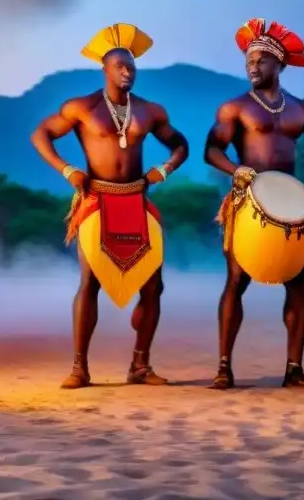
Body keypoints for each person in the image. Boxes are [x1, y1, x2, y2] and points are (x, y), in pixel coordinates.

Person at [30, 23, 189, 389]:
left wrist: (161, 172)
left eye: (131, 66)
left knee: (153, 286)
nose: (126, 71)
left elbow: (181, 146)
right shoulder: (82, 108)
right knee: (89, 282)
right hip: (96, 200)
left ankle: (140, 365)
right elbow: (40, 134)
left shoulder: (150, 111)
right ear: (105, 69)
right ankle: (79, 368)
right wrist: (67, 169)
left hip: (137, 198)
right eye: (119, 66)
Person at [205, 18, 304, 390]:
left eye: (261, 60)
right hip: (247, 200)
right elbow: (211, 149)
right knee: (236, 280)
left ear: (279, 64)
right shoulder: (235, 108)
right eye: (249, 60)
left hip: (291, 204)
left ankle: (294, 369)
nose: (253, 66)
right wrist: (236, 170)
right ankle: (224, 367)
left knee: (299, 285)